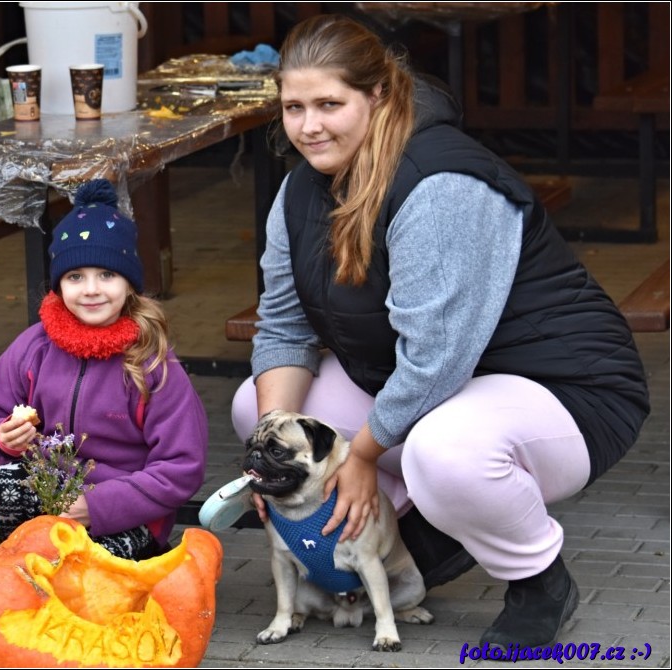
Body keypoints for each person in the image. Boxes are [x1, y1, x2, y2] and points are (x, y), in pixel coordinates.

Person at [230, 15, 649, 651]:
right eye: (293, 107)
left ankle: (537, 578)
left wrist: (363, 455)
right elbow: (284, 325)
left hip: (565, 387)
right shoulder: (297, 191)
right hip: (439, 385)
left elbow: (434, 360)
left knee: (443, 456)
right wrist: (265, 458)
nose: (308, 126)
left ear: (377, 96)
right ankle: (402, 536)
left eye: (328, 104)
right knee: (258, 407)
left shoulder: (440, 183)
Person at [0, 178, 209, 560]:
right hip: (48, 495)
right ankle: (21, 563)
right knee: (6, 484)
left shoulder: (151, 362)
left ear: (130, 283)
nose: (91, 289)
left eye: (107, 275)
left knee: (92, 574)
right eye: (76, 277)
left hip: (123, 510)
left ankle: (127, 562)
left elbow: (181, 466)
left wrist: (98, 506)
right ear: (59, 284)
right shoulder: (33, 347)